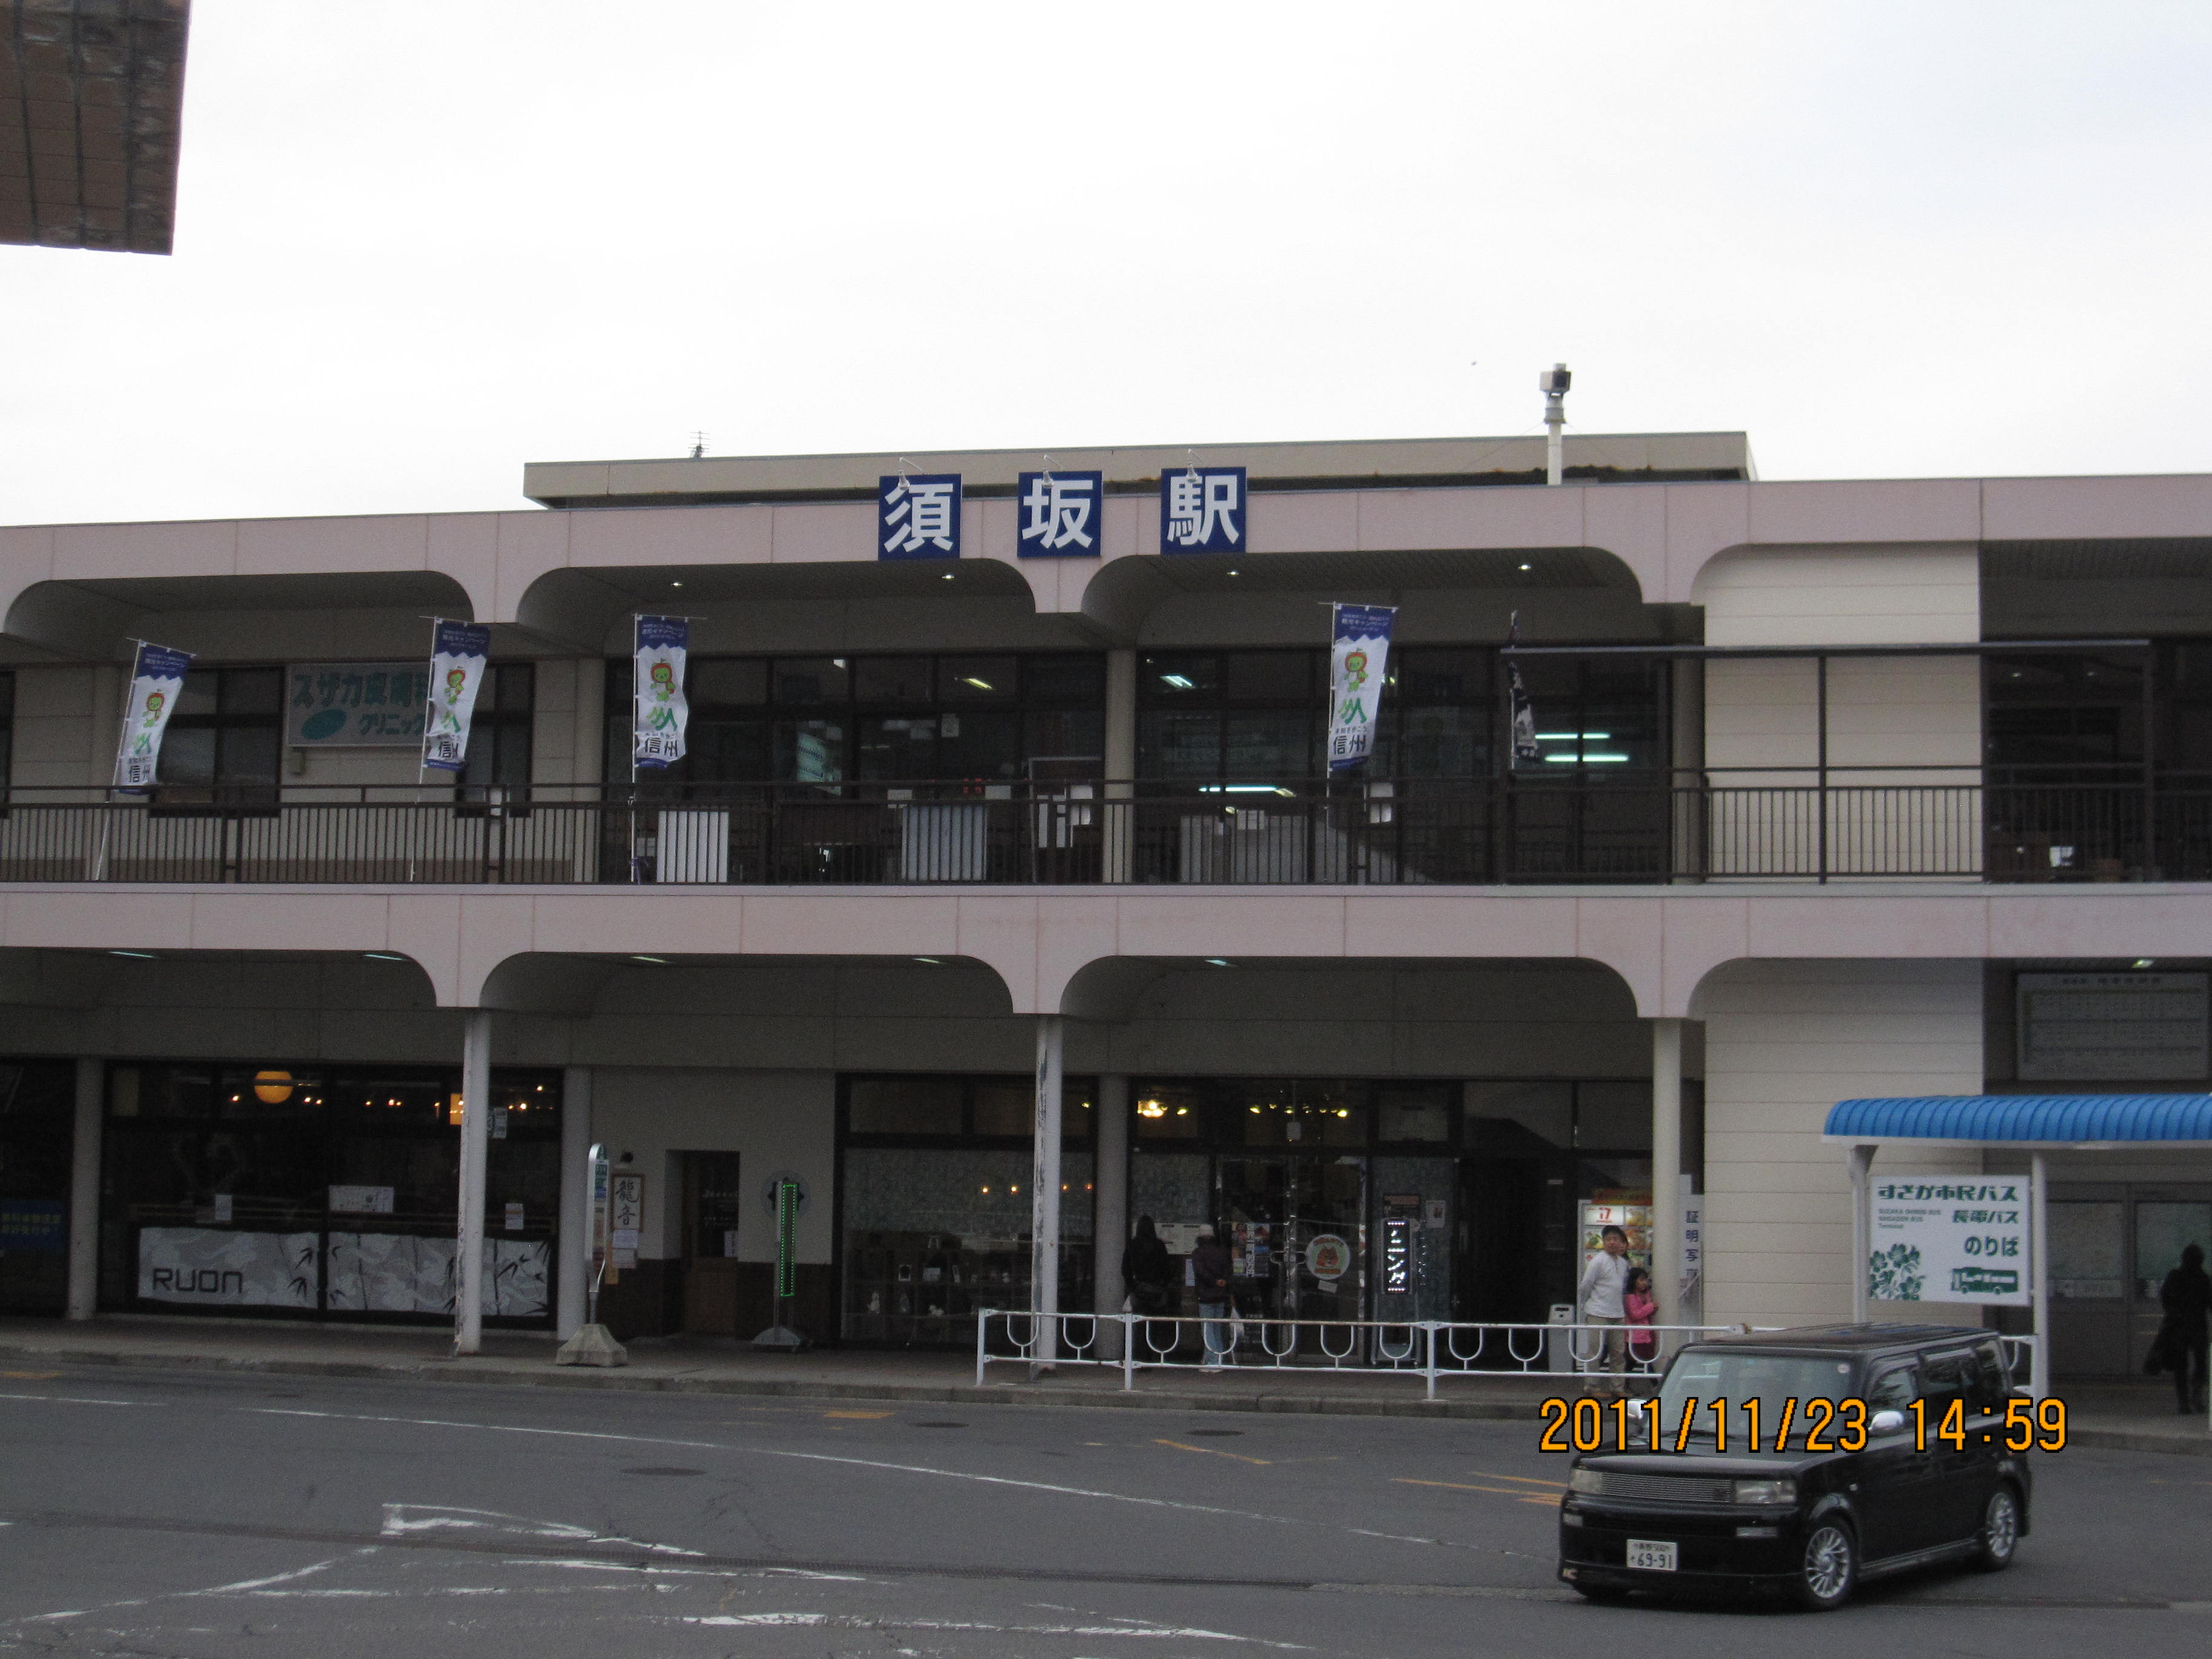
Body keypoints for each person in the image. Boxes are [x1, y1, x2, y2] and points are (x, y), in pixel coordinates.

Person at [1577, 1224, 1634, 1395]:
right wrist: (1585, 1305)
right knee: (1595, 1351)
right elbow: (1585, 1285)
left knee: (1618, 1352)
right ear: (1603, 1242)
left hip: (1617, 1313)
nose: (1612, 1243)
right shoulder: (1597, 1261)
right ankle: (1592, 1386)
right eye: (1608, 1239)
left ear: (1621, 1242)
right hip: (1597, 1312)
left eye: (1615, 1239)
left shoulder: (1623, 1263)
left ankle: (1617, 1387)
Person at [2159, 1242, 2211, 1415]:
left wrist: (2172, 1312)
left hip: (2178, 1329)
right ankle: (2197, 1396)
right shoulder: (2204, 1279)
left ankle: (2183, 1402)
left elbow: (2164, 1296)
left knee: (2181, 1366)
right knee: (2201, 1364)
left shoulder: (2174, 1276)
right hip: (2198, 1328)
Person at [1189, 1225, 1235, 1370]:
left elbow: (1201, 1272)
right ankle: (1219, 1358)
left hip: (1205, 1296)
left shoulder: (1198, 1253)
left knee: (1208, 1330)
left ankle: (1213, 1362)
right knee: (1217, 1328)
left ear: (1200, 1237)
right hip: (1220, 1296)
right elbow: (1229, 1270)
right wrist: (1223, 1283)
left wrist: (1213, 1281)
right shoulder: (1222, 1252)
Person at [1122, 1215, 1173, 1319]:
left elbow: (1125, 1269)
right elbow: (1167, 1268)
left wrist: (1132, 1286)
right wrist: (1164, 1285)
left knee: (1139, 1322)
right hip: (1157, 1290)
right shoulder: (1159, 1245)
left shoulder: (1133, 1245)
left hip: (1139, 1290)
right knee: (1156, 1322)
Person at [1623, 1264, 1658, 1368]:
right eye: (1641, 1280)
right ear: (1634, 1281)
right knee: (1634, 1361)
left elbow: (1646, 1314)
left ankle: (1653, 1382)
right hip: (1636, 1336)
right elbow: (1634, 1315)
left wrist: (1654, 1308)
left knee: (1646, 1361)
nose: (1645, 1283)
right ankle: (1655, 1383)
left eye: (1646, 1280)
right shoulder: (1631, 1297)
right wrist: (1650, 1307)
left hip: (1646, 1334)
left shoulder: (1646, 1295)